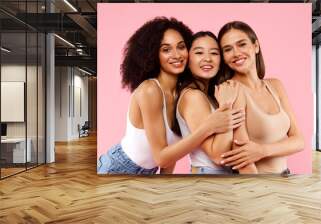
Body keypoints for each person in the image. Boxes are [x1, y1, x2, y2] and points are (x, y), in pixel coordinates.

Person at [97, 17, 245, 175]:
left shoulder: (180, 93)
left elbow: (171, 155)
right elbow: (161, 157)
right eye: (166, 49)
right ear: (153, 54)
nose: (176, 55)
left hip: (148, 172)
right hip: (117, 168)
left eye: (181, 47)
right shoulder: (150, 90)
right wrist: (208, 127)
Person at [217, 21, 304, 175]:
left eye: (241, 44)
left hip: (285, 176)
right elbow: (242, 160)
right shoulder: (233, 90)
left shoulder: (275, 85)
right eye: (228, 49)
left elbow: (299, 141)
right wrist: (260, 193)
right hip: (258, 184)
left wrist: (263, 150)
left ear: (256, 46)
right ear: (224, 57)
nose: (236, 53)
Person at [176, 31, 249, 174]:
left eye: (214, 53)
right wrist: (226, 106)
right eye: (199, 53)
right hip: (209, 177)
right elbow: (217, 156)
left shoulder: (210, 95)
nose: (207, 59)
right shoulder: (193, 97)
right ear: (188, 60)